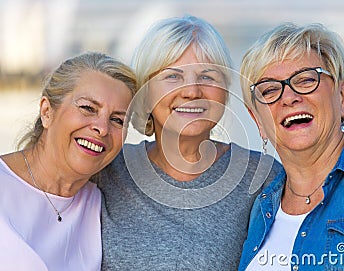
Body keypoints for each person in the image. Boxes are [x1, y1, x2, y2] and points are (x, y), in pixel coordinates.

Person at [94, 15, 281, 270]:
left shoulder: (261, 177)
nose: (192, 91)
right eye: (172, 76)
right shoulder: (107, 169)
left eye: (207, 77)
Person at [238, 22, 344, 271]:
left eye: (305, 80)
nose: (289, 97)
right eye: (269, 90)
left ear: (342, 96)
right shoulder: (261, 208)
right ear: (257, 120)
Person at [0, 52, 136, 271]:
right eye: (88, 108)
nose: (102, 128)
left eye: (117, 120)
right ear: (47, 111)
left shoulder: (102, 202)